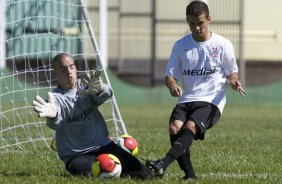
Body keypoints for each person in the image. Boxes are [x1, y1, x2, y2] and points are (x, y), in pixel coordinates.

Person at [146, 0, 246, 180]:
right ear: (187, 21)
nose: (197, 28)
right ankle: (190, 176)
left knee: (190, 126)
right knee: (174, 128)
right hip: (187, 98)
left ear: (209, 19)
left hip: (211, 100)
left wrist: (234, 81)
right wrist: (173, 85)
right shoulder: (181, 45)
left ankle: (162, 164)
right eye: (192, 24)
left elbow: (232, 73)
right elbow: (170, 75)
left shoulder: (222, 44)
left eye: (200, 23)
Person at [32, 53, 152, 179]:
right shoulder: (54, 99)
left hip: (103, 145)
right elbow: (55, 124)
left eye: (72, 67)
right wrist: (53, 116)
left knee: (142, 171)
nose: (69, 71)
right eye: (63, 69)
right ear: (55, 73)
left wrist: (101, 90)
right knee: (95, 174)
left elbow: (106, 95)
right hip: (76, 155)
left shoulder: (86, 86)